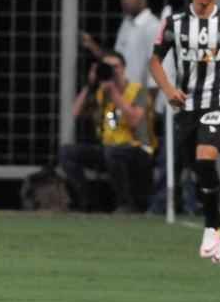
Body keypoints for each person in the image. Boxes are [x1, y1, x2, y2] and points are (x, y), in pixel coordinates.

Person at [150, 0, 220, 264]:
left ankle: (209, 227)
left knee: (206, 158)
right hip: (186, 105)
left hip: (217, 100)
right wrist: (169, 90)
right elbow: (155, 61)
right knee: (195, 167)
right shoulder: (174, 23)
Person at [59, 50, 154, 212]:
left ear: (124, 68)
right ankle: (87, 202)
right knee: (67, 152)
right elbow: (76, 112)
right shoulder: (101, 93)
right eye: (108, 67)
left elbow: (134, 121)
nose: (112, 71)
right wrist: (90, 84)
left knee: (113, 152)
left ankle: (125, 205)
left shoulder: (139, 91)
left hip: (138, 149)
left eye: (115, 66)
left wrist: (114, 93)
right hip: (110, 149)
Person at [81, 0, 162, 88]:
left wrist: (148, 97)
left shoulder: (153, 26)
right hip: (121, 91)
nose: (126, 0)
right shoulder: (126, 23)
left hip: (140, 93)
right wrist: (92, 46)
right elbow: (116, 58)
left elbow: (157, 66)